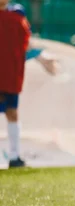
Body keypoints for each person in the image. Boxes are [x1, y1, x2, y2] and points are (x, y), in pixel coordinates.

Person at [0, 0, 57, 168]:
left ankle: (14, 156)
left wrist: (42, 58)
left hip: (10, 72)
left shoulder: (17, 14)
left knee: (12, 112)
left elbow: (25, 42)